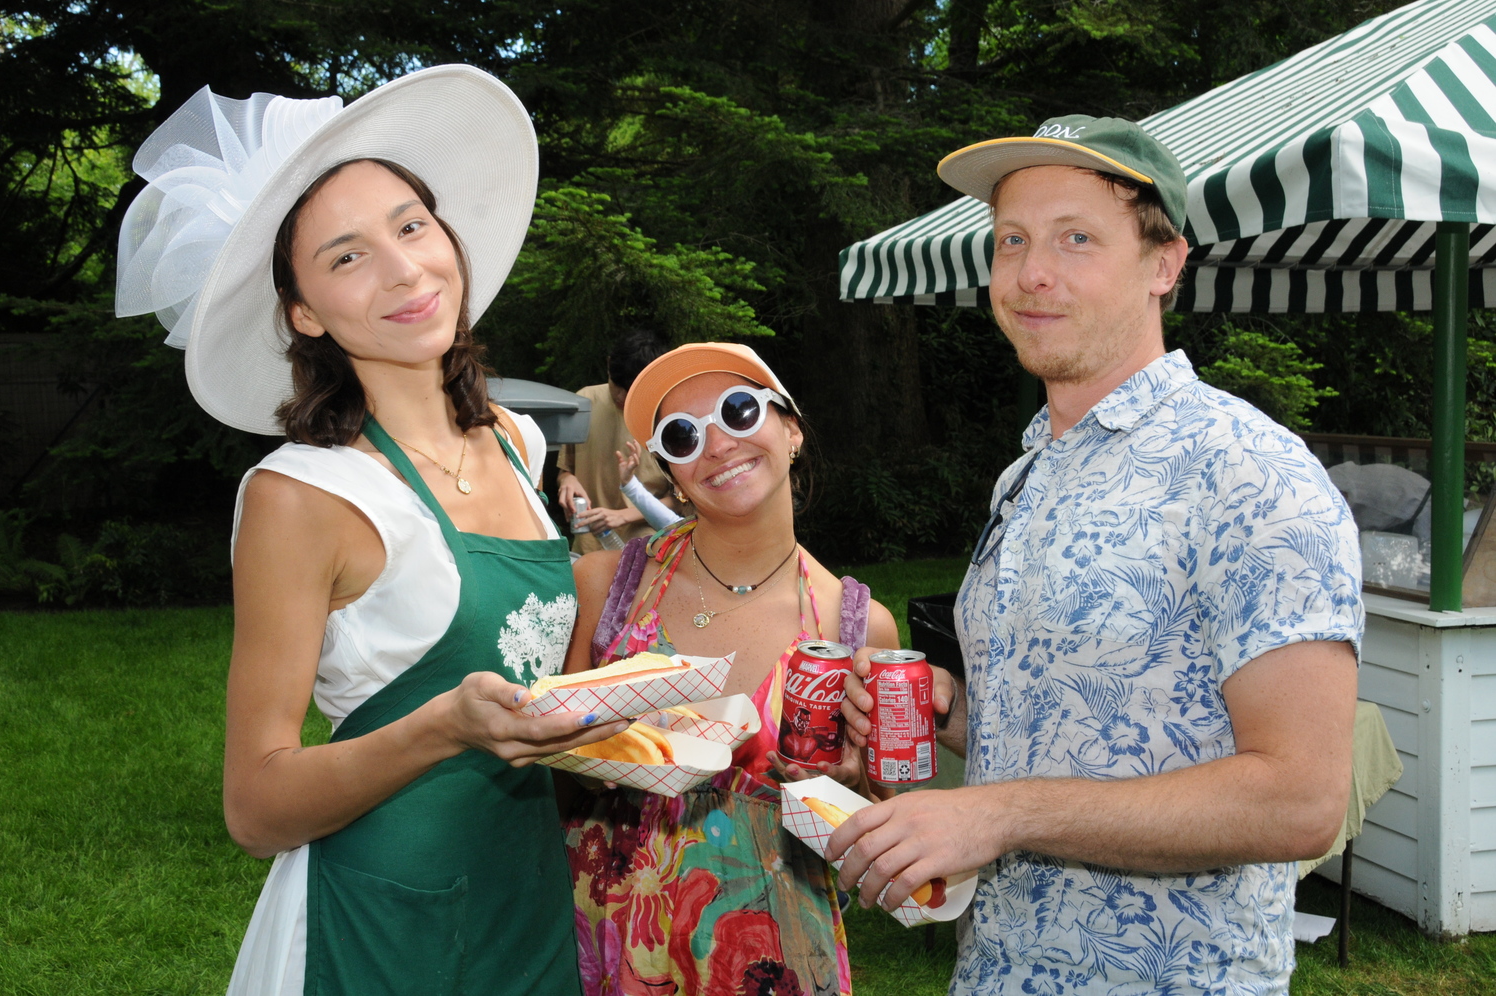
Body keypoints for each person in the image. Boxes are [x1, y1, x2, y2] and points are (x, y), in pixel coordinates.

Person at [114, 66, 630, 995]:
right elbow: (255, 807)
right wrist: (440, 728)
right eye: (346, 256)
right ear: (304, 312)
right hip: (382, 930)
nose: (402, 270)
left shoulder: (513, 440)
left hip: (526, 899)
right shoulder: (300, 496)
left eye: (410, 226)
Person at [828, 116, 1365, 994]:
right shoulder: (1031, 471)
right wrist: (948, 708)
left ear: (1164, 265)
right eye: (1012, 240)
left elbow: (1301, 799)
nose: (1032, 272)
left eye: (1077, 238)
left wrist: (1000, 814)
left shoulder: (1247, 471)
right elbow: (1085, 728)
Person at [562, 342, 900, 996]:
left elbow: (876, 853)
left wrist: (844, 789)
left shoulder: (856, 627)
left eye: (739, 411)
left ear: (791, 429)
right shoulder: (608, 586)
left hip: (770, 958)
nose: (715, 444)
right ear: (671, 471)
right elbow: (548, 792)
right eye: (682, 436)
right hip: (607, 950)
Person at [557, 330, 678, 552]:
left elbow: (681, 500)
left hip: (647, 548)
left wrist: (623, 516)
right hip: (587, 547)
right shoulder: (585, 401)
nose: (621, 396)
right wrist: (567, 480)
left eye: (631, 389)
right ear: (608, 365)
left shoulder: (668, 417)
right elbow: (566, 469)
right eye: (616, 385)